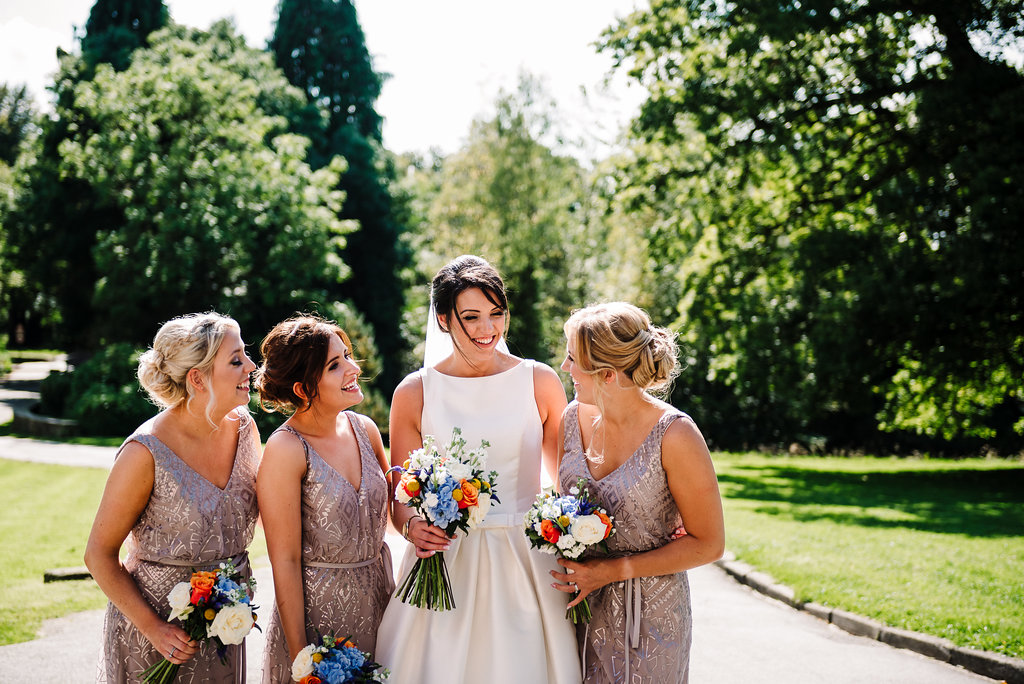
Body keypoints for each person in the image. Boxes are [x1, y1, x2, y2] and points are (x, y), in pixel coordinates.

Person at [374, 255, 582, 683]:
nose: (488, 330)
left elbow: (569, 481)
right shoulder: (413, 392)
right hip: (444, 564)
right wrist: (414, 526)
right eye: (471, 317)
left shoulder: (538, 381)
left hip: (526, 565)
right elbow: (400, 500)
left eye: (496, 314)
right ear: (444, 318)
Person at [553, 302, 725, 683]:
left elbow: (709, 543)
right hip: (577, 609)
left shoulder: (676, 434)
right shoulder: (570, 419)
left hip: (651, 616)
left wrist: (611, 571)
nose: (565, 369)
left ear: (608, 374)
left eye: (572, 359)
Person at [85, 312, 261, 683]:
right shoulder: (144, 453)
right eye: (236, 359)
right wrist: (154, 629)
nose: (250, 366)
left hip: (225, 632)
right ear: (198, 378)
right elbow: (98, 554)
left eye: (245, 355)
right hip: (158, 640)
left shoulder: (245, 427)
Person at [253, 315, 394, 683]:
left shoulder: (365, 429)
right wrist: (303, 660)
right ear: (302, 389)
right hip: (320, 622)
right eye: (336, 365)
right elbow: (284, 560)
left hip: (382, 605)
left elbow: (394, 511)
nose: (353, 368)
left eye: (347, 356)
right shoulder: (286, 448)